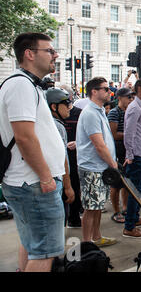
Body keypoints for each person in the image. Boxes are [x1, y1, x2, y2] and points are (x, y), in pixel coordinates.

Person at [0, 32, 66, 272]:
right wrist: (47, 177)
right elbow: (25, 137)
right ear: (29, 54)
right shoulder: (20, 85)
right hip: (35, 184)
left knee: (32, 247)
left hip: (32, 183)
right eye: (49, 50)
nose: (55, 55)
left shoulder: (27, 84)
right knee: (44, 254)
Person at [76, 77, 118, 247]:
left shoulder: (99, 110)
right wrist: (113, 165)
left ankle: (97, 237)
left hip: (100, 167)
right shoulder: (91, 113)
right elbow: (99, 145)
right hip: (92, 168)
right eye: (106, 89)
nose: (110, 92)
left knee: (98, 205)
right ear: (94, 91)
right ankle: (87, 245)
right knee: (90, 208)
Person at [122, 79, 141, 237]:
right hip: (137, 156)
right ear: (139, 89)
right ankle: (129, 227)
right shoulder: (134, 108)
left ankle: (134, 218)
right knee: (136, 192)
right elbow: (129, 133)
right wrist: (130, 155)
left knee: (139, 191)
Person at [46, 88, 76, 225]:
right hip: (55, 181)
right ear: (54, 106)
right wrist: (68, 187)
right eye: (67, 104)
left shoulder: (44, 123)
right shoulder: (57, 127)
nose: (70, 108)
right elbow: (62, 159)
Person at [107, 88, 134, 224]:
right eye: (128, 97)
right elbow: (114, 134)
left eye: (131, 97)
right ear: (120, 98)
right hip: (118, 151)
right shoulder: (113, 113)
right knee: (116, 183)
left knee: (126, 183)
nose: (130, 100)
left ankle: (125, 208)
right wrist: (130, 135)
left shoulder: (129, 112)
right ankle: (116, 211)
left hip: (128, 150)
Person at [61, 85, 83, 228]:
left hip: (74, 158)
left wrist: (78, 142)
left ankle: (74, 218)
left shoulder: (80, 113)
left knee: (74, 186)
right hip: (60, 159)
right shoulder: (52, 117)